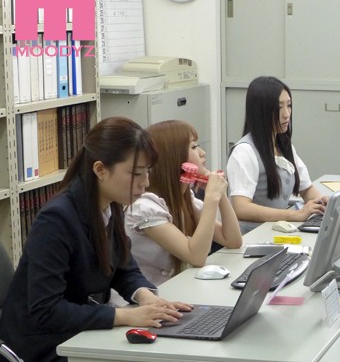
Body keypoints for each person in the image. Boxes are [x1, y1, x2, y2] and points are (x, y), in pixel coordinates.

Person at [0, 117, 192, 362]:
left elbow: (123, 269)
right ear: (101, 169)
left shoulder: (108, 207)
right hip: (41, 357)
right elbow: (45, 310)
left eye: (148, 173)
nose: (144, 183)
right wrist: (125, 317)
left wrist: (147, 297)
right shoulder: (57, 219)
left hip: (77, 338)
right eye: (135, 173)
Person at [126, 120, 242, 286]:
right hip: (148, 296)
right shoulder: (144, 207)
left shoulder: (184, 197)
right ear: (174, 157)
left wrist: (220, 194)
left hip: (177, 288)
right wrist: (211, 198)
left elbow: (233, 240)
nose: (202, 153)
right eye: (194, 147)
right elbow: (196, 256)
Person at [226, 76, 329, 232]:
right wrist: (295, 215)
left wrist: (322, 202)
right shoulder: (244, 151)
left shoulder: (284, 146)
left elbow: (306, 189)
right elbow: (241, 208)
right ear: (261, 112)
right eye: (279, 107)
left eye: (289, 105)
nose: (287, 114)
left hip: (276, 232)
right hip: (250, 237)